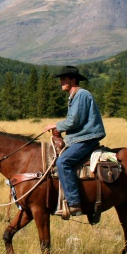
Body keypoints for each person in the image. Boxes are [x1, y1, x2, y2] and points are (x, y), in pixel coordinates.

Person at [43, 65, 106, 218]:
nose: (61, 82)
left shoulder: (81, 95)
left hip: (87, 138)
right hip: (79, 138)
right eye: (61, 79)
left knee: (63, 162)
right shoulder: (74, 96)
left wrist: (56, 125)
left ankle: (74, 203)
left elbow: (74, 121)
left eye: (64, 79)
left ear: (73, 79)